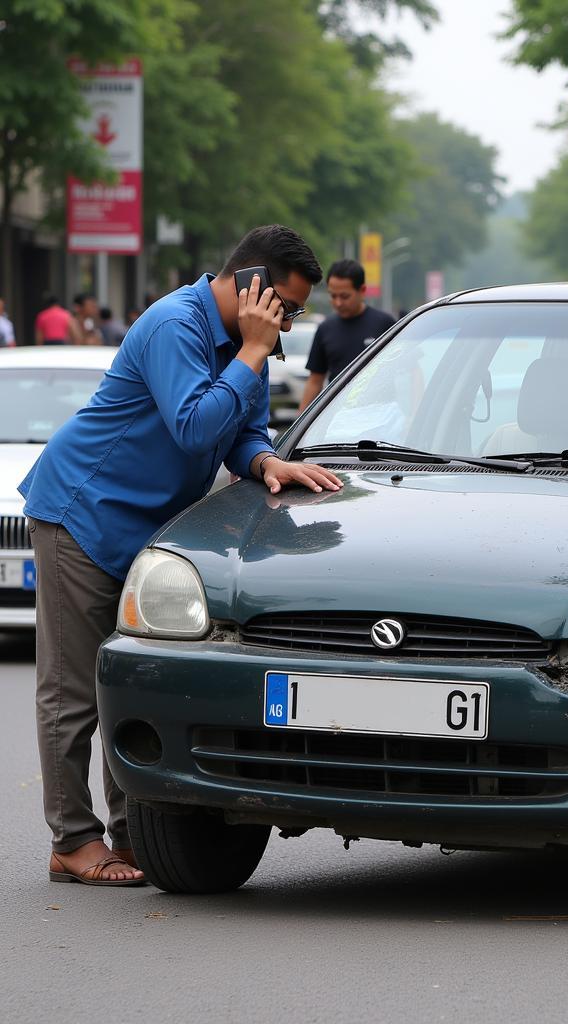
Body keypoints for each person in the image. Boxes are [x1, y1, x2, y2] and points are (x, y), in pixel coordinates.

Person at [21, 224, 343, 886]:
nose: (287, 323)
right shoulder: (177, 324)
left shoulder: (245, 346)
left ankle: (131, 834)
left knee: (131, 682)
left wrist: (265, 461)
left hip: (144, 532)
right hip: (84, 514)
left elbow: (239, 429)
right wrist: (253, 350)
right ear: (251, 283)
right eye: (285, 304)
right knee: (74, 691)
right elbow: (195, 422)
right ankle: (71, 840)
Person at [298, 258, 396, 411]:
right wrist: (299, 423)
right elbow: (315, 380)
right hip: (337, 414)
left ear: (362, 291)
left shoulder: (385, 324)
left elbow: (410, 371)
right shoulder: (325, 329)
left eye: (344, 296)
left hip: (381, 413)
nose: (338, 303)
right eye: (333, 296)